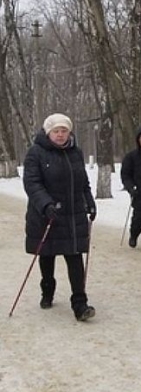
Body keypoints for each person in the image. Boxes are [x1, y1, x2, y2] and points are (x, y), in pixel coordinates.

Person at [23, 113, 97, 321]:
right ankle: (47, 289)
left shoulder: (76, 153)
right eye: (56, 131)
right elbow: (32, 183)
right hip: (46, 213)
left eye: (64, 130)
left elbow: (83, 181)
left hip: (73, 214)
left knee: (74, 256)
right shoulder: (35, 153)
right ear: (48, 133)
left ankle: (80, 304)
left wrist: (89, 200)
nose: (61, 134)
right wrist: (46, 204)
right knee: (47, 255)